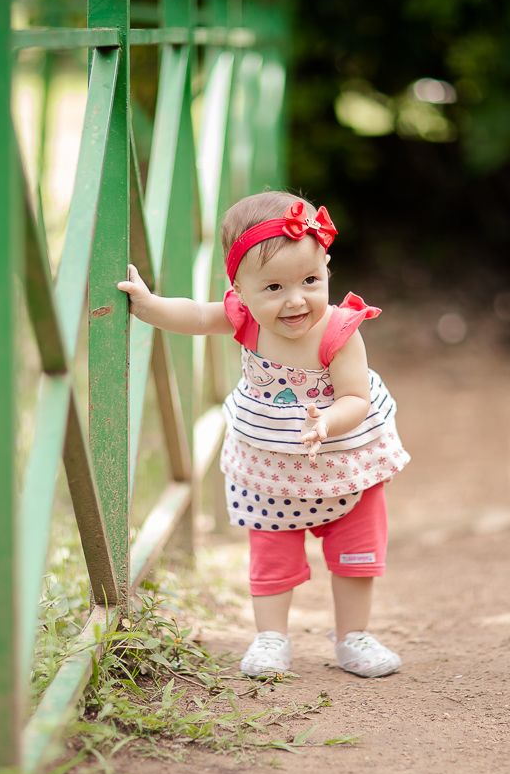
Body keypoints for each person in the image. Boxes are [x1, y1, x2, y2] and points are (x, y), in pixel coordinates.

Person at [117, 191, 410, 678]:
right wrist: (149, 307)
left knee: (356, 551)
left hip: (344, 457)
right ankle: (271, 638)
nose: (296, 300)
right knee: (272, 548)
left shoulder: (341, 330)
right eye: (273, 287)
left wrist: (327, 421)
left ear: (328, 271)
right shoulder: (243, 320)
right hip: (271, 463)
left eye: (311, 281)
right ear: (240, 289)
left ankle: (354, 635)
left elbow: (356, 398)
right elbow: (193, 315)